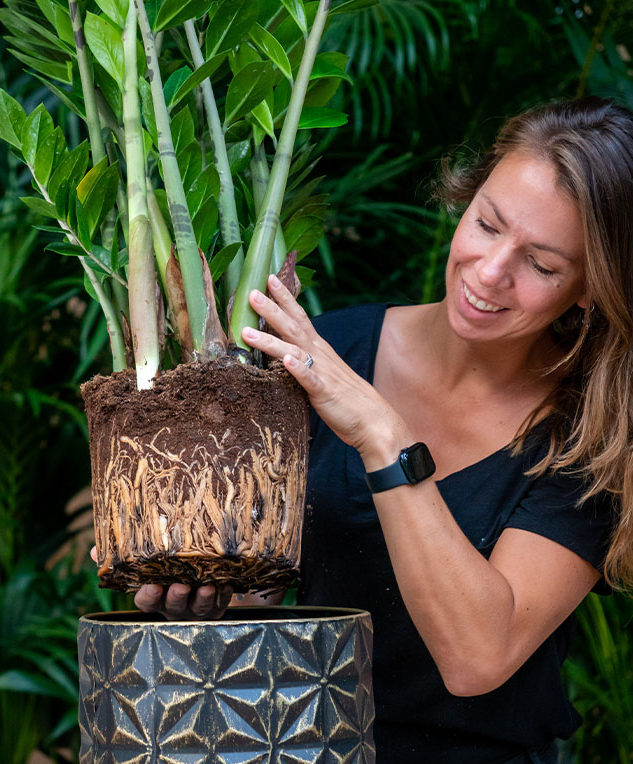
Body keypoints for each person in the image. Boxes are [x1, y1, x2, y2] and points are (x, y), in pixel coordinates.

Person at [125, 96, 633, 762]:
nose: (489, 273)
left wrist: (383, 436)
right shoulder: (329, 351)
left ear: (592, 286)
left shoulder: (590, 437)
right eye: (486, 224)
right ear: (466, 198)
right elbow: (266, 581)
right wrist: (207, 586)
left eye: (541, 265)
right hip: (301, 746)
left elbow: (478, 656)